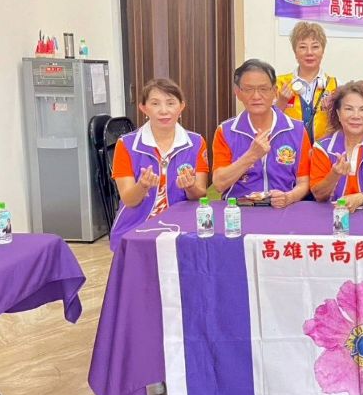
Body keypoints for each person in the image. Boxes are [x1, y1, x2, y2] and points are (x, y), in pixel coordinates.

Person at [110, 78, 209, 251]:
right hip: (136, 227)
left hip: (182, 227)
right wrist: (142, 186)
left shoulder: (196, 142)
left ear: (181, 107)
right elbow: (129, 200)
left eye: (171, 103)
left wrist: (190, 186)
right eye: (155, 103)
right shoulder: (126, 144)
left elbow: (200, 194)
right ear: (143, 108)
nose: (164, 111)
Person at [213, 59, 311, 207]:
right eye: (248, 89)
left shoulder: (296, 130)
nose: (256, 96)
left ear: (275, 91)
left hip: (283, 208)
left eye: (263, 89)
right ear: (237, 92)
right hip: (239, 209)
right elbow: (219, 184)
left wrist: (289, 197)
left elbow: (303, 182)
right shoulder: (225, 131)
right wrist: (252, 155)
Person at [310, 81, 363, 211]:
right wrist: (334, 175)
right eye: (349, 109)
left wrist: (361, 198)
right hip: (331, 216)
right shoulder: (322, 147)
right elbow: (318, 195)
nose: (356, 116)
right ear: (338, 113)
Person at [275, 21, 338, 143]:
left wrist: (333, 112)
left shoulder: (336, 86)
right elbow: (267, 122)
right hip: (287, 150)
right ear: (295, 52)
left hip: (322, 151)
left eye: (315, 47)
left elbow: (345, 126)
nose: (309, 52)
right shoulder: (279, 84)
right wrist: (281, 102)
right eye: (302, 47)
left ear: (322, 51)